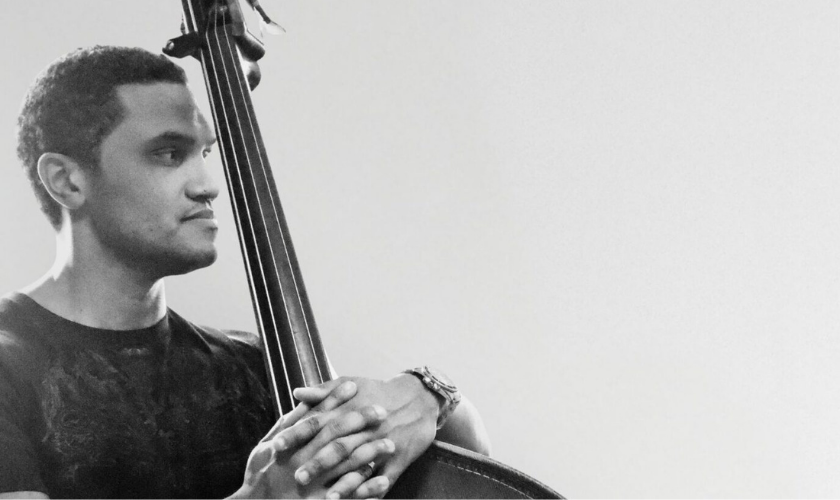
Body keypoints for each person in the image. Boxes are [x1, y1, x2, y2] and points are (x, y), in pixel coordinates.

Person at [0, 45, 490, 499]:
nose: (208, 185)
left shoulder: (256, 366)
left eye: (205, 153)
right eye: (169, 154)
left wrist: (429, 397)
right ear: (67, 180)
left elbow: (474, 462)